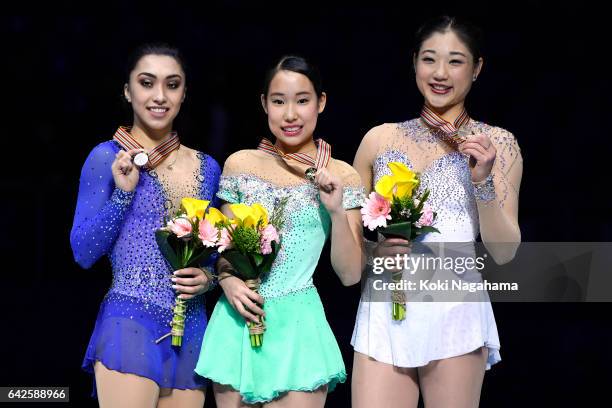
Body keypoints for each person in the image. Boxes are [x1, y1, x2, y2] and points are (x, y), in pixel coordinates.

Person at [351, 16, 523, 408]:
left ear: (477, 68)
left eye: (456, 61)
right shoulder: (379, 138)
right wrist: (374, 252)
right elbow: (350, 241)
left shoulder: (498, 144)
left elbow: (505, 250)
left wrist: (482, 179)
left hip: (455, 310)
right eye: (430, 59)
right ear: (414, 63)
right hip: (385, 307)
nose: (440, 73)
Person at [195, 55, 365, 407]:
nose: (290, 114)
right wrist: (226, 281)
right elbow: (227, 251)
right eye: (278, 101)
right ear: (264, 104)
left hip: (298, 326)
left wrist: (334, 209)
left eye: (302, 100)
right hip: (237, 319)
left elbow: (350, 275)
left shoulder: (342, 175)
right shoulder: (240, 164)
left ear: (321, 102)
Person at [70, 43, 220, 408]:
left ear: (184, 94)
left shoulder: (208, 168)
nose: (159, 96)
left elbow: (213, 254)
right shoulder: (106, 157)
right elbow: (83, 252)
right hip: (131, 319)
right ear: (127, 91)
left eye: (172, 85)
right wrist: (123, 196)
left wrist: (210, 278)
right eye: (147, 82)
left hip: (192, 327)